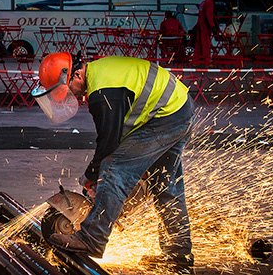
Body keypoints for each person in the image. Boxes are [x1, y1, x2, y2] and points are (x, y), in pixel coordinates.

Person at [32, 53, 195, 272]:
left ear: (76, 75)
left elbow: (109, 143)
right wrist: (95, 176)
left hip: (166, 116)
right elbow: (117, 135)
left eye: (67, 89)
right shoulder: (100, 75)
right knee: (166, 185)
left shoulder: (102, 92)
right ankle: (179, 256)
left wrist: (91, 176)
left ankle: (92, 238)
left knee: (114, 170)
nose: (70, 95)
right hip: (179, 108)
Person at [193, 0, 216, 66]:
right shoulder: (209, 3)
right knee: (206, 45)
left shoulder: (203, 3)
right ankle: (207, 62)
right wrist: (212, 26)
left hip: (200, 25)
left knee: (198, 45)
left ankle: (195, 61)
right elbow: (208, 15)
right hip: (205, 27)